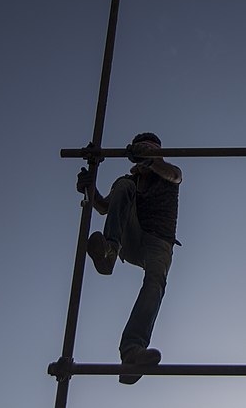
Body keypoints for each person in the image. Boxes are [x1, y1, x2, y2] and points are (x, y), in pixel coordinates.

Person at [76, 132, 182, 384]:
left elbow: (174, 175)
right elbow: (103, 207)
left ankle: (132, 351)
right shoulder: (129, 181)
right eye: (141, 149)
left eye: (150, 149)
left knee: (156, 280)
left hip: (158, 242)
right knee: (124, 185)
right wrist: (89, 188)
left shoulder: (169, 172)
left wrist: (151, 159)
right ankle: (108, 252)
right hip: (130, 238)